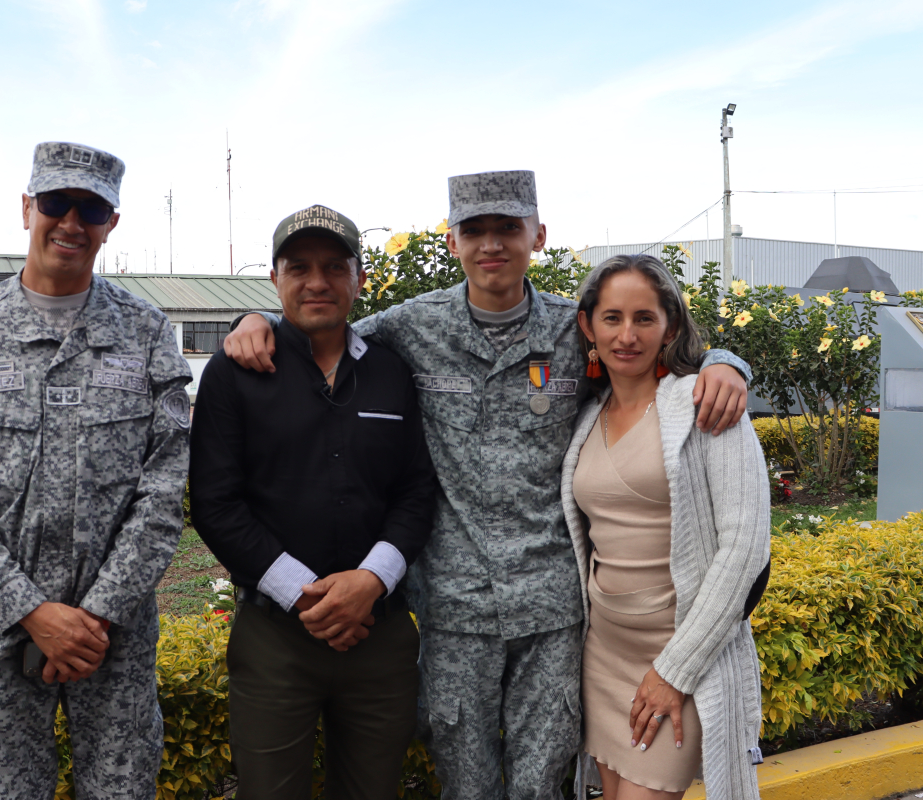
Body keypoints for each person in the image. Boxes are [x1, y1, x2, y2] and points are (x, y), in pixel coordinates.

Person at [221, 171, 752, 799]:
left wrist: (727, 363)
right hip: (455, 610)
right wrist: (248, 317)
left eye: (508, 228)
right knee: (466, 787)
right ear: (452, 241)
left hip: (553, 610)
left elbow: (657, 355)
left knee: (540, 784)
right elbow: (324, 325)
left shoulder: (574, 328)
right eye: (475, 230)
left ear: (539, 236)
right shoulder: (411, 327)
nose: (492, 244)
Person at [0, 141, 192, 800]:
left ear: (111, 222)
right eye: (57, 202)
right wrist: (30, 611)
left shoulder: (146, 333)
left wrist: (94, 618)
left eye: (91, 208)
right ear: (27, 207)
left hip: (111, 643)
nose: (72, 222)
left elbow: (164, 488)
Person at [189, 204, 437, 800]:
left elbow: (415, 491)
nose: (317, 281)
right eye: (298, 267)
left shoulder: (392, 372)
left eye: (335, 266)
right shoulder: (233, 373)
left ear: (360, 278)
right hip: (275, 637)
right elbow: (215, 503)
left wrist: (369, 583)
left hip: (378, 634)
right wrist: (308, 596)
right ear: (274, 280)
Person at [561, 253, 770, 800]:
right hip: (602, 654)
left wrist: (673, 672)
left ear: (670, 326)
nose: (626, 335)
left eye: (644, 319)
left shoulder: (706, 404)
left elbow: (744, 551)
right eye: (611, 318)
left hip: (679, 655)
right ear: (588, 325)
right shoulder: (587, 414)